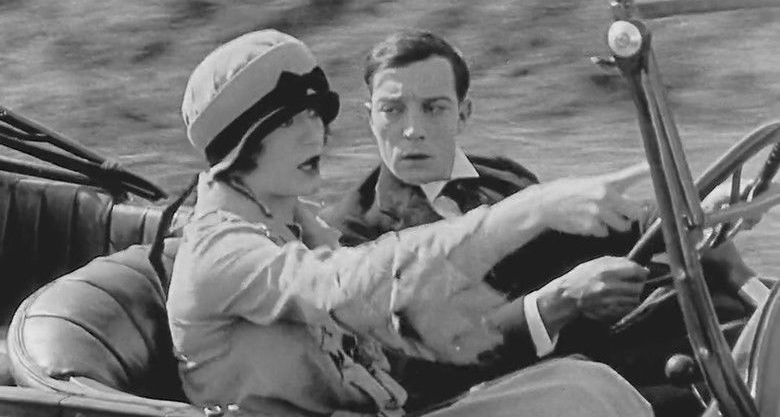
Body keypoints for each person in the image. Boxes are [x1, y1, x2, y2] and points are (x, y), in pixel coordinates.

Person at [165, 29, 653, 416]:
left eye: (315, 114)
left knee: (586, 386)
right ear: (240, 146)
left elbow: (420, 331)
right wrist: (532, 211)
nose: (315, 134)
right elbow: (359, 283)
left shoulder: (296, 225)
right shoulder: (222, 247)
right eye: (289, 122)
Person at [319, 29, 762, 413]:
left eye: (433, 108)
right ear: (369, 117)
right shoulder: (350, 234)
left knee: (751, 331)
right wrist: (555, 302)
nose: (412, 129)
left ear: (463, 113)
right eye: (392, 109)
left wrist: (702, 209)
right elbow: (410, 370)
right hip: (502, 397)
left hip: (601, 355)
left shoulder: (501, 177)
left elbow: (605, 225)